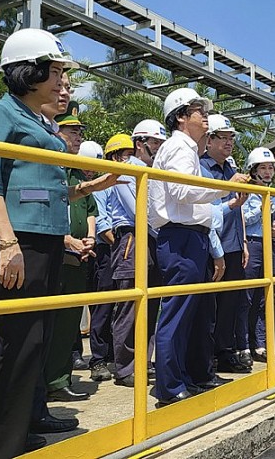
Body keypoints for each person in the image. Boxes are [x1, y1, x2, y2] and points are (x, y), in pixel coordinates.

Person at [0, 28, 116, 457]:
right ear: (26, 72)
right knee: (15, 341)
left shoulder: (40, 123)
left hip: (48, 240)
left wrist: (91, 188)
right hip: (20, 242)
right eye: (53, 72)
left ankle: (27, 424)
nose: (61, 82)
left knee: (38, 338)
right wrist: (7, 243)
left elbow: (46, 190)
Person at [150, 88, 248, 407]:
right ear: (181, 117)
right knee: (177, 315)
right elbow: (181, 191)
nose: (204, 114)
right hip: (179, 237)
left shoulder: (186, 148)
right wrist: (224, 187)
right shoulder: (179, 146)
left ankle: (181, 378)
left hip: (188, 236)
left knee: (186, 316)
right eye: (197, 109)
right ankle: (169, 386)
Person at [43, 101, 96, 402]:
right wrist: (67, 240)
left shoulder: (77, 172)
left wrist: (88, 238)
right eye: (71, 131)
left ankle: (60, 378)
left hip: (79, 257)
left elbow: (90, 208)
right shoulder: (49, 165)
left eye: (79, 132)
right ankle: (47, 379)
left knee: (69, 322)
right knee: (51, 321)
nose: (77, 137)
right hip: (57, 255)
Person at [108, 119, 166, 387]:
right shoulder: (127, 169)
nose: (158, 147)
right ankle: (125, 368)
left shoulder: (154, 172)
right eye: (154, 142)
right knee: (130, 305)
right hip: (132, 237)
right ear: (140, 143)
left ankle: (144, 361)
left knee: (150, 304)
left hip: (152, 238)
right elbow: (136, 209)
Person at [200, 114, 251, 373]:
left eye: (231, 137)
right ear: (209, 140)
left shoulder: (231, 169)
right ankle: (207, 356)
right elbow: (209, 208)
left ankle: (225, 351)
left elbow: (238, 208)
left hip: (232, 244)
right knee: (211, 305)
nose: (229, 142)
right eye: (223, 137)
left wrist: (242, 241)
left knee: (231, 302)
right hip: (211, 245)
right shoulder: (202, 168)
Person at [241, 147, 275, 361]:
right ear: (253, 170)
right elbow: (244, 217)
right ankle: (243, 344)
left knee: (265, 296)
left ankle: (260, 343)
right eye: (263, 168)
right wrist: (264, 206)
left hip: (269, 244)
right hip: (252, 244)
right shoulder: (246, 190)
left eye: (270, 168)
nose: (267, 172)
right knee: (247, 296)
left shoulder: (273, 193)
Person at [78, 139, 116, 382]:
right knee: (101, 307)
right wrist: (119, 243)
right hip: (101, 251)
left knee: (115, 305)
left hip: (111, 251)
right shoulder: (93, 187)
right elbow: (102, 223)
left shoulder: (122, 183)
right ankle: (98, 359)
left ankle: (111, 354)